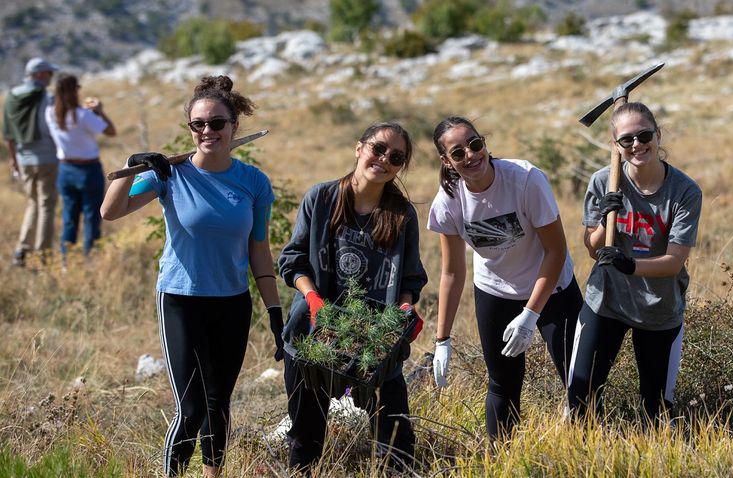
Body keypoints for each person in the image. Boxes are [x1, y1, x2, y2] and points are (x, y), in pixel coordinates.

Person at [100, 75, 282, 478]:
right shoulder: (170, 175)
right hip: (181, 299)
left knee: (219, 402)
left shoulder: (254, 182)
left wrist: (273, 310)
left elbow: (259, 248)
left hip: (233, 301)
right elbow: (110, 211)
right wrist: (135, 166)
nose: (207, 131)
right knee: (192, 406)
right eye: (198, 124)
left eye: (217, 123)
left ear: (234, 126)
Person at [278, 121, 427, 471]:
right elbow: (293, 260)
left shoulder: (402, 214)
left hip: (373, 341)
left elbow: (409, 277)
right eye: (378, 148)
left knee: (395, 438)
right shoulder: (322, 198)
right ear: (359, 148)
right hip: (312, 334)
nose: (384, 159)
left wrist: (404, 310)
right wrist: (312, 298)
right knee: (306, 437)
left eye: (396, 156)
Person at [426, 116, 583, 439]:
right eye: (458, 153)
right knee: (502, 383)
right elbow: (453, 272)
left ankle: (588, 450)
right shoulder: (449, 202)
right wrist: (442, 340)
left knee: (579, 379)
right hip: (495, 291)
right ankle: (499, 457)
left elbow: (555, 251)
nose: (470, 155)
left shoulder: (525, 180)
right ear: (446, 161)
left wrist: (530, 314)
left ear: (485, 143)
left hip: (552, 287)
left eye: (475, 144)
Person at [566, 102, 702, 424]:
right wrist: (604, 220)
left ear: (658, 134)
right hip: (607, 300)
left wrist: (631, 265)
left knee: (655, 408)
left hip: (658, 308)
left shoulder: (684, 191)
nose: (637, 145)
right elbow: (592, 248)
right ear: (615, 145)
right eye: (627, 140)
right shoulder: (604, 182)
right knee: (581, 399)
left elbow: (673, 262)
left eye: (644, 135)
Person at [45, 73, 116, 263]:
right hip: (88, 169)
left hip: (65, 170)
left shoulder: (50, 113)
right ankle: (90, 259)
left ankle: (66, 260)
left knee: (69, 217)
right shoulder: (83, 115)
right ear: (74, 90)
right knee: (92, 217)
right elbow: (111, 131)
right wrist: (100, 111)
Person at [3, 58, 60, 267]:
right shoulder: (48, 97)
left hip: (23, 158)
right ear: (38, 75)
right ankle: (43, 254)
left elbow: (8, 133)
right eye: (48, 74)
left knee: (32, 202)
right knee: (46, 205)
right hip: (48, 158)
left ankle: (22, 249)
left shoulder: (12, 96)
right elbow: (55, 128)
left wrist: (13, 159)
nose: (50, 78)